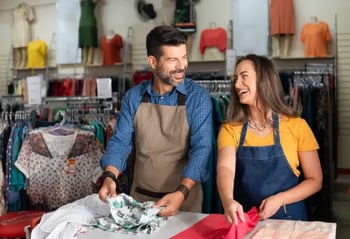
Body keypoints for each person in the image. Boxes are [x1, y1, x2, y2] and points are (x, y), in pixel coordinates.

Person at [98, 25, 213, 217]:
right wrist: (110, 177)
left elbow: (201, 149)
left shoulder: (198, 97)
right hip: (140, 200)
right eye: (173, 60)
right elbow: (120, 142)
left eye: (184, 57)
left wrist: (181, 193)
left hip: (184, 201)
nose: (182, 66)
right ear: (153, 61)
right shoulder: (134, 97)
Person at [216, 54, 323, 224]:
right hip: (246, 222)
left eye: (244, 77)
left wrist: (280, 199)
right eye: (235, 79)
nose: (237, 84)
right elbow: (225, 168)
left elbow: (315, 180)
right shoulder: (230, 129)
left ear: (263, 80)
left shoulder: (297, 126)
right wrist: (228, 200)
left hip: (290, 222)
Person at [12, 2, 34, 68]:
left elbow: (31, 18)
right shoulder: (15, 8)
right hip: (16, 27)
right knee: (17, 46)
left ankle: (24, 62)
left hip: (23, 26)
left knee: (24, 45)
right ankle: (18, 62)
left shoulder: (27, 7)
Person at [79, 0, 99, 65]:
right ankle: (85, 59)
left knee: (91, 41)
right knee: (84, 42)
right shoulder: (81, 1)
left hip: (90, 21)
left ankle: (90, 60)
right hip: (82, 22)